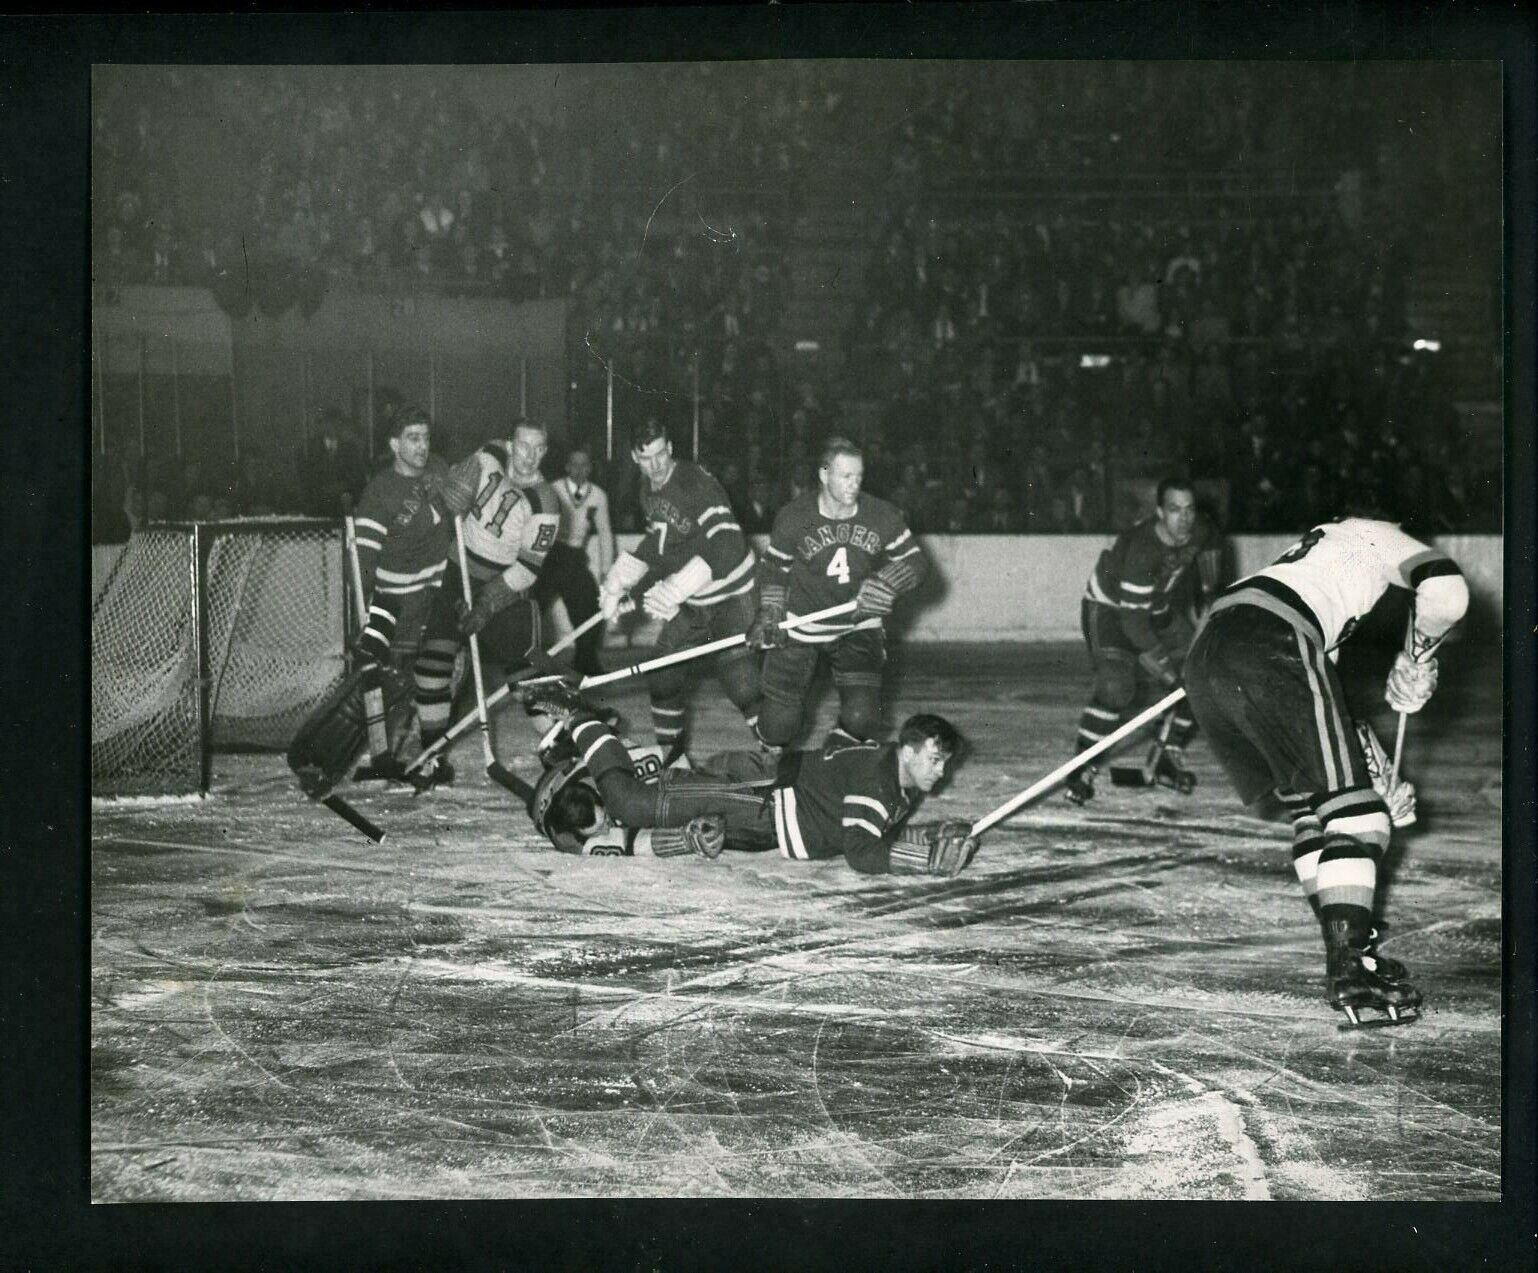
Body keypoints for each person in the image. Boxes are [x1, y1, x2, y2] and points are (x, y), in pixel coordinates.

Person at [1183, 512, 1468, 1027]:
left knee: (1317, 812)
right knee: (1361, 823)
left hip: (1209, 651)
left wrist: (1381, 777)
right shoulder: (1377, 537)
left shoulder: (1314, 569)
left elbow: (1329, 714)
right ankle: (1350, 973)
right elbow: (1447, 594)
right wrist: (1418, 659)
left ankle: (1351, 953)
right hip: (1272, 639)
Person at [522, 682, 980, 878]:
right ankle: (582, 718)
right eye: (936, 761)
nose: (941, 773)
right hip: (761, 797)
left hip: (766, 810)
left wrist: (929, 836)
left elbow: (865, 832)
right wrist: (924, 860)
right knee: (630, 806)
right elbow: (863, 852)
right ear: (910, 750)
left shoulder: (890, 783)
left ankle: (588, 726)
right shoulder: (880, 779)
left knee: (634, 807)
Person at [596, 418, 762, 756]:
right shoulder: (648, 490)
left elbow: (728, 542)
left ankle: (778, 759)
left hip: (733, 595)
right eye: (646, 458)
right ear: (634, 457)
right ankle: (672, 765)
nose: (656, 466)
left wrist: (678, 587)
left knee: (742, 684)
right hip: (695, 600)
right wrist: (625, 584)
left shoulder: (693, 483)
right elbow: (664, 549)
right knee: (662, 676)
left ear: (671, 448)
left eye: (661, 454)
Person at [751, 436, 927, 749]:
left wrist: (890, 582)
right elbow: (774, 568)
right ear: (823, 475)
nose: (853, 485)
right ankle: (771, 767)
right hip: (801, 623)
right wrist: (772, 608)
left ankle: (835, 763)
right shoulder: (794, 516)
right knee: (778, 726)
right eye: (845, 477)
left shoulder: (881, 514)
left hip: (856, 623)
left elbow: (915, 559)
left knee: (862, 717)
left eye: (858, 477)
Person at [407, 437, 560, 789]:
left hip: (506, 587)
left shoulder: (545, 500)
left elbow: (528, 568)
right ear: (511, 442)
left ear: (546, 452)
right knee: (433, 662)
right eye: (523, 445)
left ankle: (559, 749)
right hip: (458, 570)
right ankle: (432, 756)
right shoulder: (488, 452)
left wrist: (486, 604)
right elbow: (454, 485)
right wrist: (445, 490)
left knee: (526, 673)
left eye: (538, 449)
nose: (529, 455)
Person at [1065, 477, 1223, 804]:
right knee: (1117, 688)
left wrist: (1210, 593)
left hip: (1156, 607)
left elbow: (1211, 545)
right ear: (1160, 513)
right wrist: (1168, 674)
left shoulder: (1200, 529)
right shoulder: (1142, 550)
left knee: (1201, 672)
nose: (1185, 518)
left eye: (1190, 509)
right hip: (1110, 611)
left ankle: (1167, 755)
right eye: (1175, 510)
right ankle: (1082, 765)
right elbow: (1133, 625)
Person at [347, 407, 471, 781]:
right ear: (394, 444)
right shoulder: (380, 491)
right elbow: (365, 557)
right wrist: (366, 609)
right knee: (392, 684)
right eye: (413, 438)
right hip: (396, 600)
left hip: (437, 594)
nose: (422, 445)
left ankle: (432, 753)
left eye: (426, 437)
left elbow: (462, 504)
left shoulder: (439, 470)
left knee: (443, 674)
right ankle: (382, 752)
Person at [547, 446, 615, 677]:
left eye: (584, 464)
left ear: (590, 467)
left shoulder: (598, 495)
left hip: (575, 558)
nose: (579, 470)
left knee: (592, 608)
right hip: (549, 556)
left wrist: (607, 570)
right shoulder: (553, 489)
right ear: (567, 466)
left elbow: (605, 533)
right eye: (574, 464)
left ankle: (585, 661)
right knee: (532, 608)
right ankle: (524, 664)